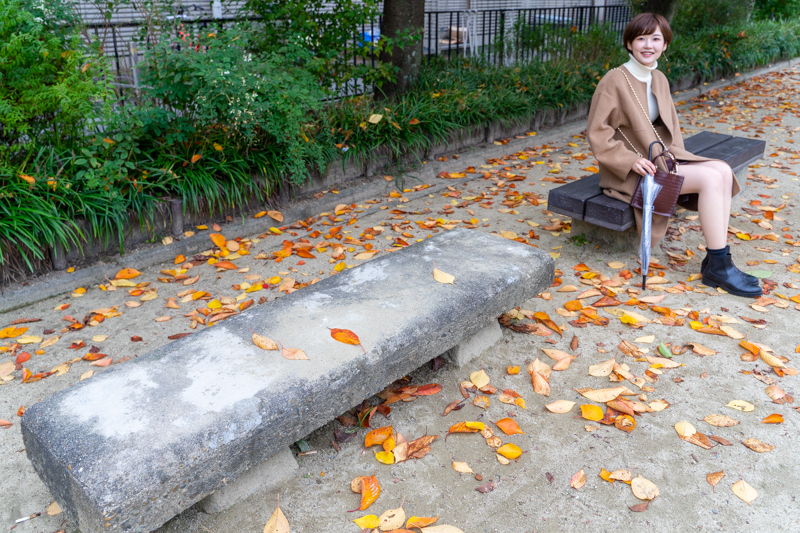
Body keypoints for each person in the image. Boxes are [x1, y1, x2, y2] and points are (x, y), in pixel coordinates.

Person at [586, 13, 761, 298]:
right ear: (629, 43)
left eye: (656, 39)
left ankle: (718, 261)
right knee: (709, 178)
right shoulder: (614, 80)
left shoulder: (659, 78)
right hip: (630, 171)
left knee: (722, 170)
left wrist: (675, 158)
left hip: (659, 160)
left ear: (665, 45)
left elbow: (670, 129)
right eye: (641, 38)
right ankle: (719, 266)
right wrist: (630, 161)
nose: (648, 45)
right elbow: (597, 133)